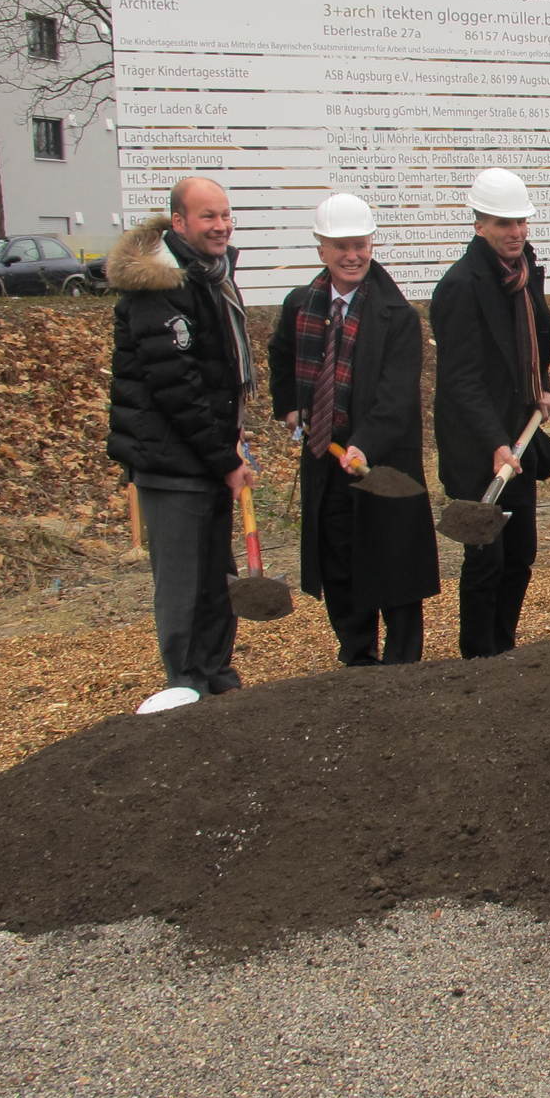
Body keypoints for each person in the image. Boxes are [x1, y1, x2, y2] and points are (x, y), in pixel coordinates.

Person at [267, 193, 439, 665]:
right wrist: (290, 407)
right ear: (321, 248)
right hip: (327, 456)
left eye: (360, 244)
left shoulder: (397, 316)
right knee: (339, 561)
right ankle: (356, 656)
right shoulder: (302, 305)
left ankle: (404, 664)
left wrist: (364, 444)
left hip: (383, 462)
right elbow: (280, 354)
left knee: (394, 565)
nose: (353, 255)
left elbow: (397, 395)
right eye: (341, 245)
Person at [105, 175, 256, 703]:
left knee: (217, 576)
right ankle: (185, 685)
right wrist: (223, 459)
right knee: (184, 582)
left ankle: (218, 678)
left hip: (208, 454)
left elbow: (218, 378)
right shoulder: (160, 286)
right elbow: (178, 388)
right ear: (179, 223)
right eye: (207, 217)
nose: (220, 225)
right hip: (171, 461)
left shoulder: (210, 277)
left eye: (225, 215)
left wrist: (230, 445)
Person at [429, 167, 550, 659]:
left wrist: (541, 388)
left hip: (518, 436)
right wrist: (494, 442)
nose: (515, 232)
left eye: (520, 222)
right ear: (479, 224)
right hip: (477, 444)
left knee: (520, 554)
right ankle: (478, 657)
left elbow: (532, 345)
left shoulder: (524, 276)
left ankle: (504, 648)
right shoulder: (461, 286)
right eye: (504, 223)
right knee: (487, 554)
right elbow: (461, 379)